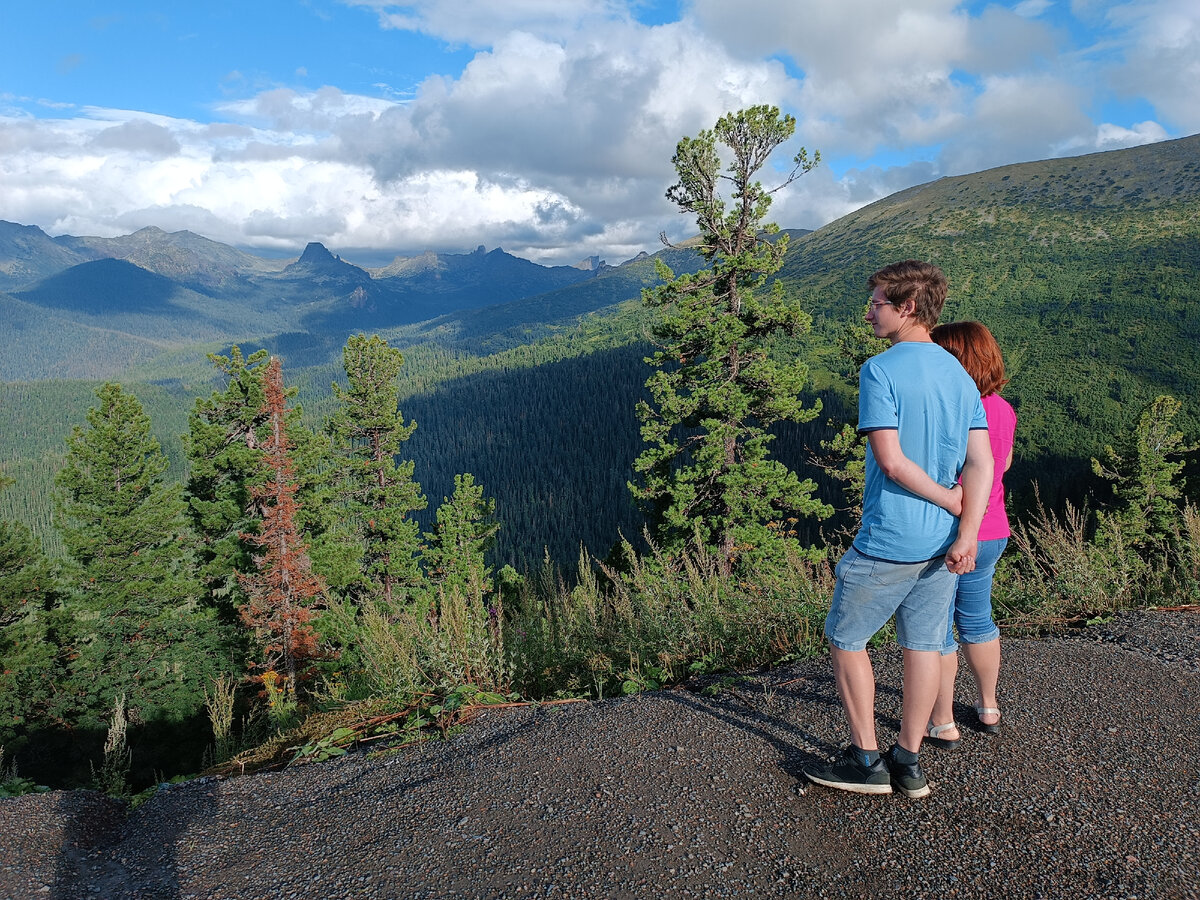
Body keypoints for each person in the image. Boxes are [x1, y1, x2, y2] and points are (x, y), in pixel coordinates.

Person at [803, 260, 993, 799]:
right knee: (924, 645)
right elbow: (981, 464)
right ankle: (907, 761)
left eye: (877, 304)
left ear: (907, 307)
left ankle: (866, 760)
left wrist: (947, 499)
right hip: (942, 542)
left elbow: (890, 460)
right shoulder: (959, 374)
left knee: (846, 637)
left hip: (891, 537)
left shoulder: (880, 371)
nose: (869, 314)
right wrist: (966, 528)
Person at [923, 321, 1016, 748]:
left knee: (937, 628)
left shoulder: (951, 409)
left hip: (952, 533)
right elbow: (1003, 465)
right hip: (994, 529)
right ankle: (988, 706)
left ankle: (943, 720)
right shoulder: (1003, 409)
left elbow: (946, 479)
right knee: (978, 620)